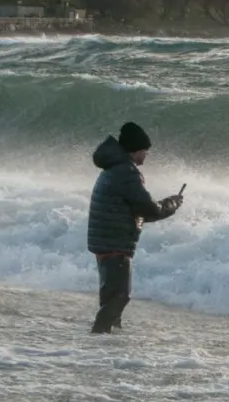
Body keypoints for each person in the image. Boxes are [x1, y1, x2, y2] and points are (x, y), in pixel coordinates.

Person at [87, 121, 183, 334]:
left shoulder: (112, 169)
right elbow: (147, 208)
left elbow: (133, 210)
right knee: (120, 296)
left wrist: (163, 205)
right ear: (136, 150)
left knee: (111, 296)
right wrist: (172, 204)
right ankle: (97, 337)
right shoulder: (126, 172)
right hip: (115, 243)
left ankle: (106, 342)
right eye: (145, 150)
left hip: (105, 241)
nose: (147, 154)